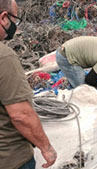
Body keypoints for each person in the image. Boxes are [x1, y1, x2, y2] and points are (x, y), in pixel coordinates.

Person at [0, 0, 57, 169]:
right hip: (10, 158)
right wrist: (46, 148)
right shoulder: (4, 57)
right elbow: (21, 115)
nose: (14, 27)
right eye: (14, 20)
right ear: (3, 18)